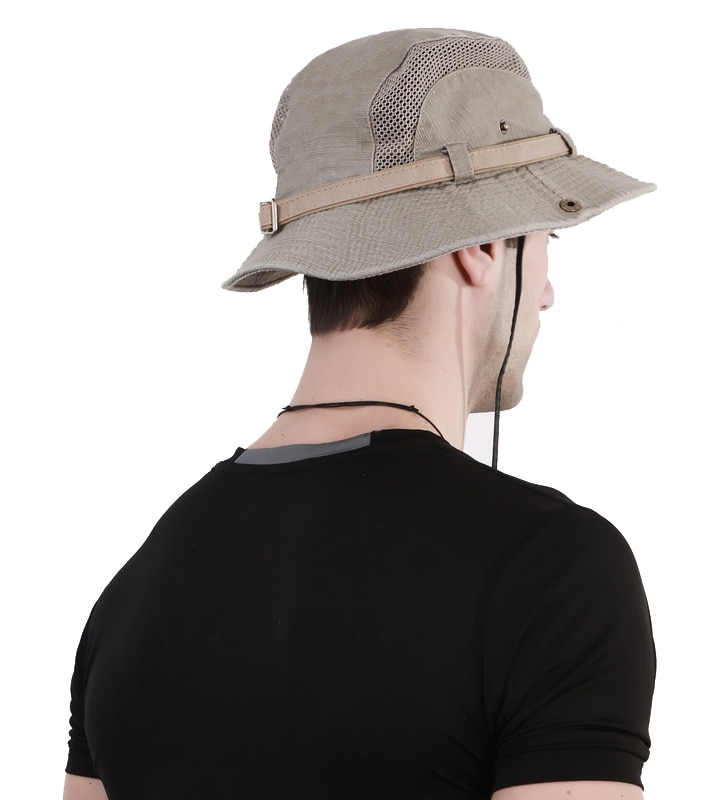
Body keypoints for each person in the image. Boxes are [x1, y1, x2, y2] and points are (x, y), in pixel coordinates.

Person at [64, 28, 656, 800]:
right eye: (545, 240)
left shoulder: (140, 583)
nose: (545, 292)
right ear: (483, 245)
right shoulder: (553, 571)